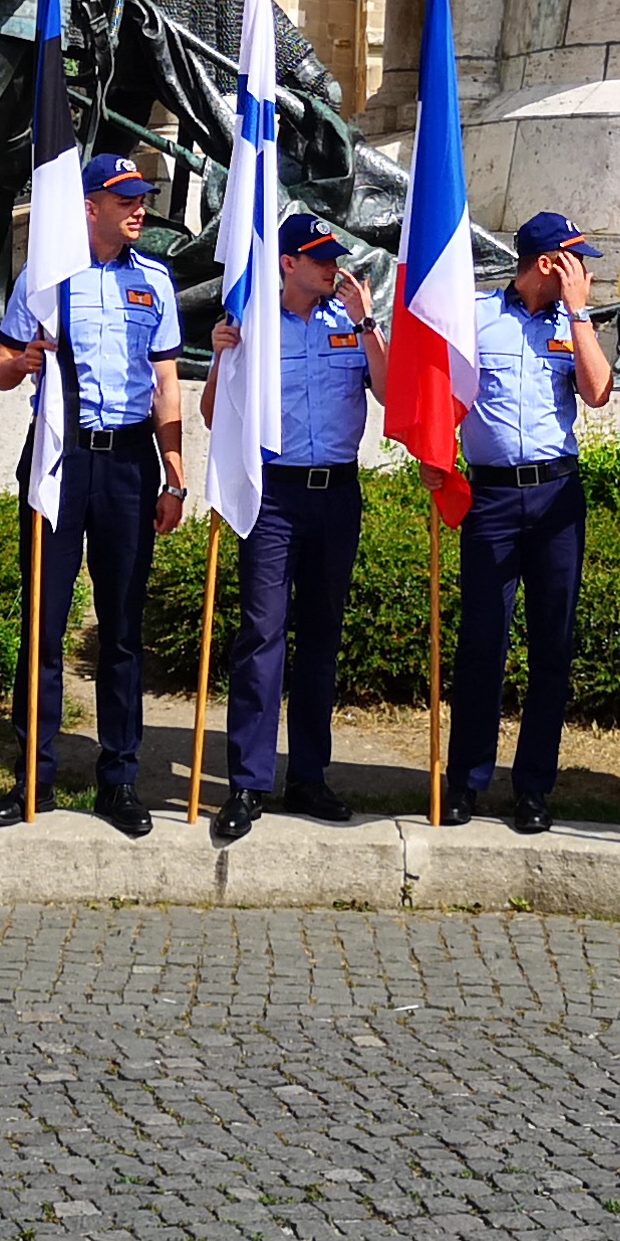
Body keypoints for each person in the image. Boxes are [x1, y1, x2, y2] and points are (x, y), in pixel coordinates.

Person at [0, 152, 185, 839]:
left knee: (122, 629)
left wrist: (175, 474)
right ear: (88, 206)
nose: (139, 210)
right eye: (125, 199)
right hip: (59, 460)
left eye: (143, 199)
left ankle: (119, 777)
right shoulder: (45, 282)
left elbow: (165, 385)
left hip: (128, 464)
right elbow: (0, 373)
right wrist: (23, 360)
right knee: (44, 622)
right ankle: (33, 775)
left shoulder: (154, 281)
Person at [208, 210, 381, 844]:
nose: (332, 266)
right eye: (319, 258)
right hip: (275, 496)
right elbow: (213, 415)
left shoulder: (349, 324)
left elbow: (389, 392)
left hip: (337, 494)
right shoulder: (251, 324)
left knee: (321, 636)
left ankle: (309, 775)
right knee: (261, 635)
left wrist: (367, 324)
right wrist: (222, 361)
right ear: (287, 263)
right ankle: (248, 784)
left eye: (332, 256)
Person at [445, 209, 611, 834]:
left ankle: (533, 787)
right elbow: (443, 390)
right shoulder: (477, 316)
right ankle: (466, 781)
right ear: (548, 263)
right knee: (483, 644)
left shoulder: (575, 324)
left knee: (552, 648)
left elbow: (597, 393)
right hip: (492, 500)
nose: (585, 270)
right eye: (576, 259)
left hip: (556, 496)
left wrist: (579, 314)